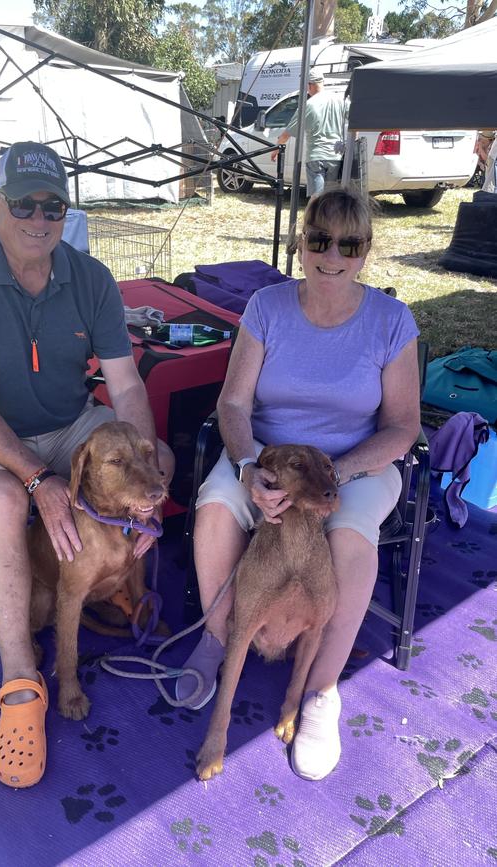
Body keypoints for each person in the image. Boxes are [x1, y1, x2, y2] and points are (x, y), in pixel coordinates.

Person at [0, 141, 174, 788]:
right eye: (25, 202)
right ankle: (19, 680)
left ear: (66, 210)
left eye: (53, 205)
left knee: (150, 455)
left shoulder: (89, 276)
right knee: (6, 501)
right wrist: (39, 480)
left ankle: (123, 575)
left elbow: (123, 388)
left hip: (70, 420)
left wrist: (148, 468)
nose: (40, 216)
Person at [175, 187, 421, 781]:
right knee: (214, 510)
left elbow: (404, 427)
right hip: (267, 455)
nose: (331, 254)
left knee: (350, 537)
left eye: (348, 243)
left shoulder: (392, 321)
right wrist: (247, 466)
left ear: (366, 251)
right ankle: (217, 634)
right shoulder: (267, 306)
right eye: (318, 239)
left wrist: (338, 476)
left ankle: (320, 691)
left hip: (352, 463)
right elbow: (233, 402)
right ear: (299, 242)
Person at [272, 70, 347, 198]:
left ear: (309, 85)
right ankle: (327, 218)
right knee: (329, 198)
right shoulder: (340, 100)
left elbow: (287, 134)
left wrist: (276, 149)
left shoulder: (309, 105)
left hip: (316, 156)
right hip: (336, 156)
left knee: (316, 197)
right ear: (322, 82)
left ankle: (312, 218)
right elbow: (354, 120)